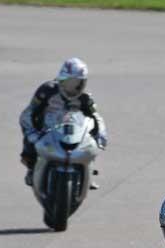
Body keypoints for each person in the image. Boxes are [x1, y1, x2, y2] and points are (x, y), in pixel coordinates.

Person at [18, 58, 108, 189]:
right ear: (62, 79)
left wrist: (101, 136)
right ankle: (32, 168)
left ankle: (87, 171)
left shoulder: (85, 99)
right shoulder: (47, 90)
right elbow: (28, 113)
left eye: (79, 83)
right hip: (46, 131)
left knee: (90, 141)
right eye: (71, 83)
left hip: (72, 132)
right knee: (31, 140)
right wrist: (32, 133)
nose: (75, 88)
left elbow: (96, 117)